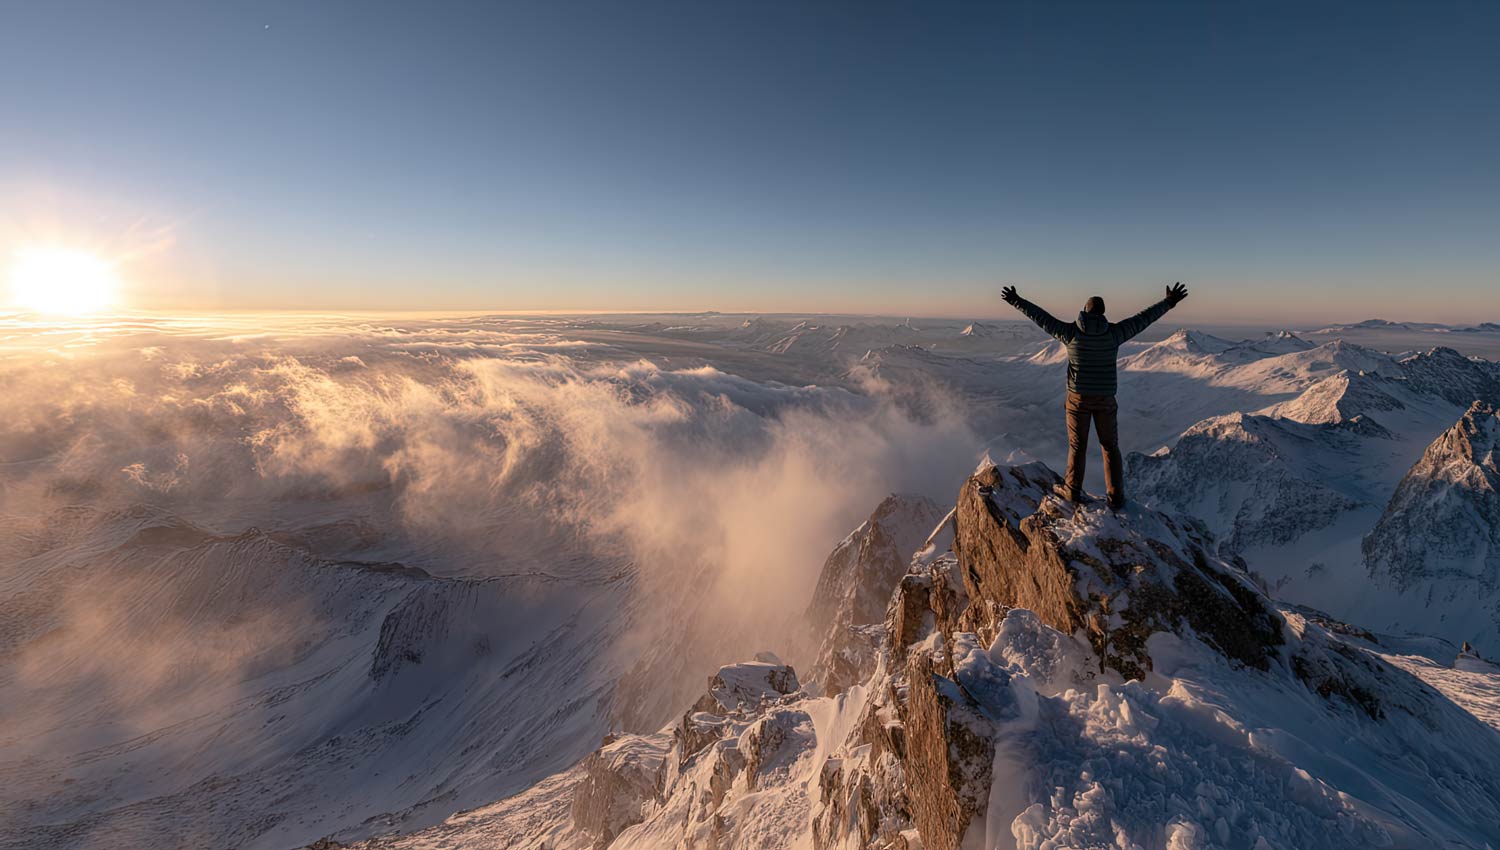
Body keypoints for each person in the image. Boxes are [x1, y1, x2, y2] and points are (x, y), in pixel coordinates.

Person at [1001, 282, 1189, 510]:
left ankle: (1072, 492)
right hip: (1105, 399)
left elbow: (1042, 318)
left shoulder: (1070, 333)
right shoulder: (1115, 333)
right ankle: (1116, 497)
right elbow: (1143, 319)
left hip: (1077, 398)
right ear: (1102, 314)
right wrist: (1168, 302)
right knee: (1110, 446)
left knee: (1077, 446)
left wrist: (1016, 300)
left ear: (1084, 311)